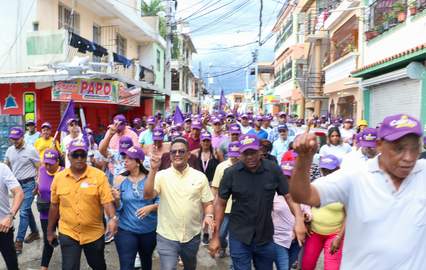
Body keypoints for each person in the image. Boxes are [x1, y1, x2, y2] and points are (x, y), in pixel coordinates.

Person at [290, 114, 426, 269]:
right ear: (380, 145)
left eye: (414, 148)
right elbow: (303, 195)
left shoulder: (423, 173)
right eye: (399, 148)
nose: (408, 157)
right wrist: (304, 159)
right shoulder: (356, 176)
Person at [209, 134, 306, 270]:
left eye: (253, 152)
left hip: (265, 237)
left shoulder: (273, 170)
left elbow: (289, 196)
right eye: (245, 153)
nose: (250, 157)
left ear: (260, 150)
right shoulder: (231, 174)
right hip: (239, 236)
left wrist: (299, 220)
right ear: (240, 153)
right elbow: (220, 203)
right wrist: (216, 236)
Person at [143, 137, 214, 270]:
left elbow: (208, 203)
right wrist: (153, 170)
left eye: (181, 151)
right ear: (170, 156)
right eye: (173, 152)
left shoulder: (200, 177)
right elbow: (147, 196)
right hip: (167, 235)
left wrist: (209, 216)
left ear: (188, 155)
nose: (177, 154)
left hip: (191, 236)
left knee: (190, 266)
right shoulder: (161, 176)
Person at [47, 139, 117, 270]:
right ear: (68, 156)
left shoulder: (99, 176)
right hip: (68, 232)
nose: (79, 158)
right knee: (69, 267)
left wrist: (112, 218)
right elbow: (54, 206)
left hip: (94, 233)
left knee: (98, 265)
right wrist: (50, 231)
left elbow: (107, 201)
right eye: (75, 155)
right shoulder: (59, 178)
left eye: (82, 155)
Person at [112, 146, 159, 270]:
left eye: (129, 159)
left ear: (139, 162)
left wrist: (151, 207)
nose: (125, 161)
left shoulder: (152, 178)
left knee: (146, 261)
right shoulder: (119, 179)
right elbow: (118, 209)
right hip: (126, 229)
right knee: (126, 265)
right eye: (125, 158)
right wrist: (116, 200)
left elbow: (162, 202)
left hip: (148, 230)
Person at [301, 155, 345, 270]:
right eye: (325, 170)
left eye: (331, 170)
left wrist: (339, 237)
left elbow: (349, 215)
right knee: (307, 265)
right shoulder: (317, 183)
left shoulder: (345, 188)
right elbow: (307, 205)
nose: (327, 173)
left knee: (332, 267)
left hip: (334, 234)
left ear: (338, 169)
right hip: (314, 232)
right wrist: (306, 221)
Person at [5, 127, 40, 254]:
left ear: (22, 137)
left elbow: (39, 168)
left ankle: (18, 242)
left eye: (16, 139)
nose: (14, 141)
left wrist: (38, 183)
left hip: (29, 184)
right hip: (16, 186)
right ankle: (35, 232)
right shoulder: (9, 150)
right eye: (12, 139)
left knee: (24, 212)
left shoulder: (31, 150)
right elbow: (6, 166)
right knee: (27, 210)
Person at [210, 141, 241, 258]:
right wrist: (212, 204)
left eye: (237, 153)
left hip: (239, 207)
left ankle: (235, 258)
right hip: (224, 207)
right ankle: (223, 245)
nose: (234, 156)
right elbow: (215, 187)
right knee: (221, 233)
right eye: (232, 153)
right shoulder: (221, 167)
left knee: (237, 237)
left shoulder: (244, 166)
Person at [37, 149, 63, 270]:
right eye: (45, 163)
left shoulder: (64, 173)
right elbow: (40, 186)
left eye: (50, 163)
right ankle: (44, 267)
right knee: (48, 240)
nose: (47, 166)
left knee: (66, 241)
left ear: (58, 162)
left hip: (62, 213)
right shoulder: (42, 170)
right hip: (45, 212)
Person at [0, 163, 24, 270]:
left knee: (12, 264)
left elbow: (18, 192)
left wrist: (10, 216)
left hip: (3, 226)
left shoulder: (2, 168)